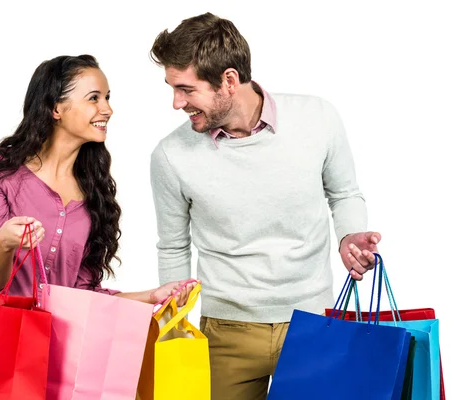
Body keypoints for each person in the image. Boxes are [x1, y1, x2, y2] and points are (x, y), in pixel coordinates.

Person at [149, 13, 381, 400]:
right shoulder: (171, 155)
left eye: (186, 89)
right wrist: (174, 328)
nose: (176, 103)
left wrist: (350, 234)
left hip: (314, 323)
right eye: (173, 88)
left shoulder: (317, 118)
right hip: (224, 331)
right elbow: (173, 245)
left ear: (228, 80)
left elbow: (343, 194)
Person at [0, 54, 197, 380]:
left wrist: (150, 296)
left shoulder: (94, 195)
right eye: (94, 98)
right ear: (56, 108)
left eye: (107, 98)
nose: (107, 109)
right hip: (3, 355)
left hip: (65, 359)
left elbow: (84, 294)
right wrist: (4, 242)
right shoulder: (1, 172)